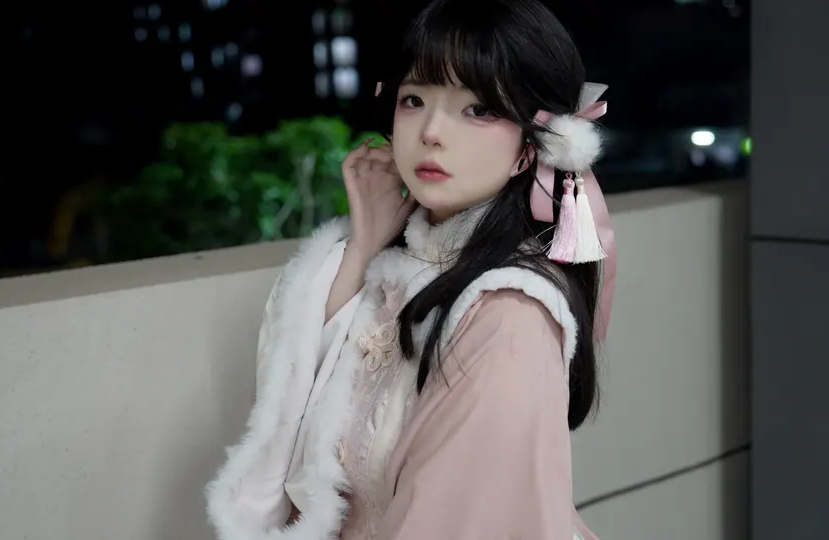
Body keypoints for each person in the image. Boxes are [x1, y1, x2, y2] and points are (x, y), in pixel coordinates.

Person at [205, 0, 618, 538]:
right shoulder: (397, 266)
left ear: (530, 149)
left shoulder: (507, 313)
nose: (431, 131)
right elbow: (287, 438)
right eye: (414, 99)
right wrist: (363, 248)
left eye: (478, 109)